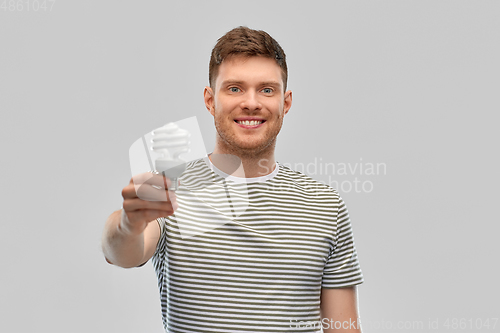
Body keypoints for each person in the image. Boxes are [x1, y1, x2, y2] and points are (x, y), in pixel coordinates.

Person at [102, 26, 364, 333]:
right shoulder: (170, 189)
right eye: (235, 88)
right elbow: (121, 253)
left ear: (286, 103)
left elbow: (343, 327)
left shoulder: (324, 206)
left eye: (267, 90)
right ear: (210, 101)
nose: (251, 103)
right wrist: (128, 224)